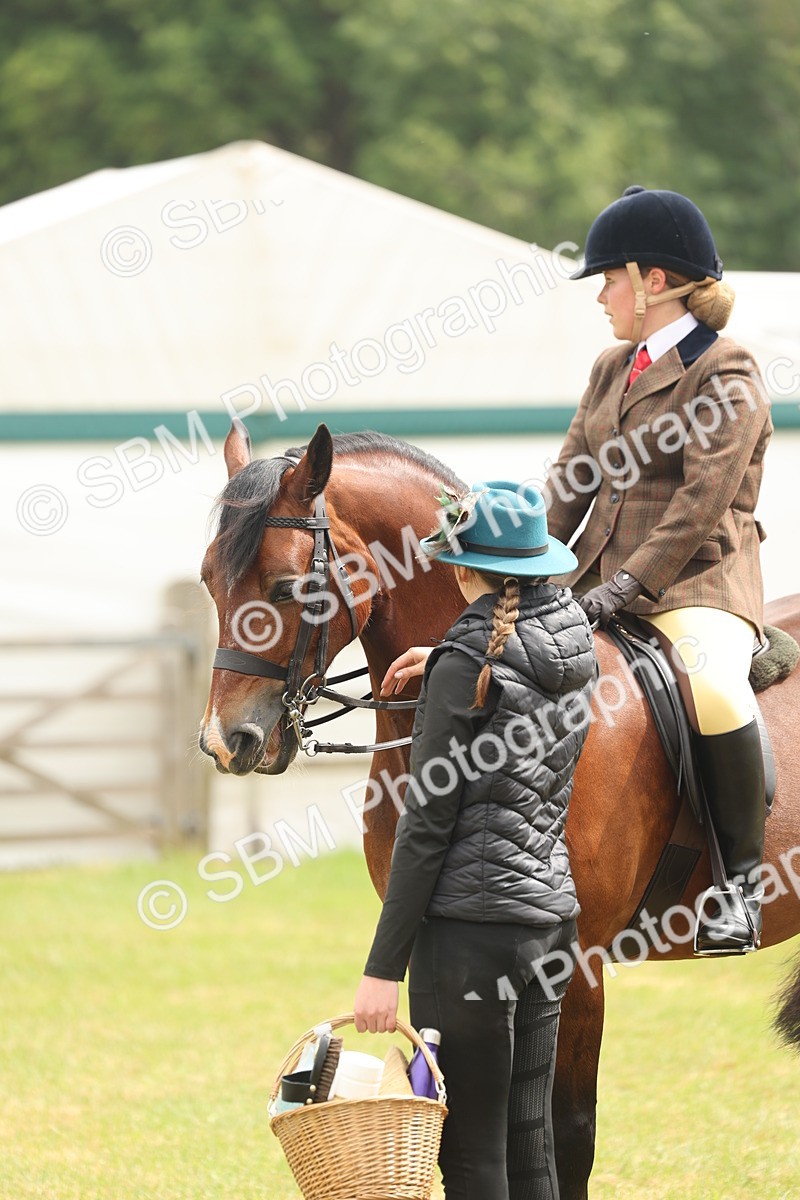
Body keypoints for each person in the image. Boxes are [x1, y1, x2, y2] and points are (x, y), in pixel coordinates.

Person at [542, 185, 773, 954]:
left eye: (610, 279)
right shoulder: (612, 369)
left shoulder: (727, 371)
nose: (602, 295)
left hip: (696, 586)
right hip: (597, 589)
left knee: (709, 684)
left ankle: (739, 887)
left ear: (656, 282)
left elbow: (702, 503)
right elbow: (571, 482)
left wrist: (625, 587)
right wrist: (518, 567)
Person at [353, 482, 597, 1200]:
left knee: (468, 1156)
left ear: (464, 573)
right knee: (532, 1148)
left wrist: (380, 969)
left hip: (469, 937)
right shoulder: (573, 643)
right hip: (551, 925)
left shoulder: (467, 663)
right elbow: (510, 665)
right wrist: (446, 662)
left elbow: (424, 830)